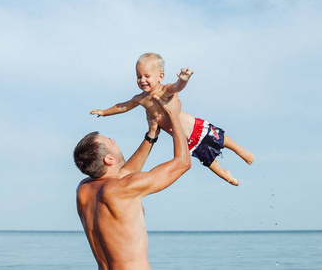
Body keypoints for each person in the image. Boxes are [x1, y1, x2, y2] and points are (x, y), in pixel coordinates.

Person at [90, 52, 254, 186]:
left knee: (219, 138)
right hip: (186, 140)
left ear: (160, 76)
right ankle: (226, 175)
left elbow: (177, 87)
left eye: (147, 76)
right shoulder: (140, 99)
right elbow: (123, 106)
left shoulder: (164, 90)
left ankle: (239, 150)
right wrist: (104, 112)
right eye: (139, 76)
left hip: (194, 127)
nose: (142, 80)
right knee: (207, 159)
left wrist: (183, 79)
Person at [75, 94, 191, 270]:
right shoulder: (122, 188)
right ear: (109, 159)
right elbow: (182, 163)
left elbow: (124, 173)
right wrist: (174, 115)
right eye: (110, 142)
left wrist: (151, 137)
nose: (114, 141)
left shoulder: (83, 190)